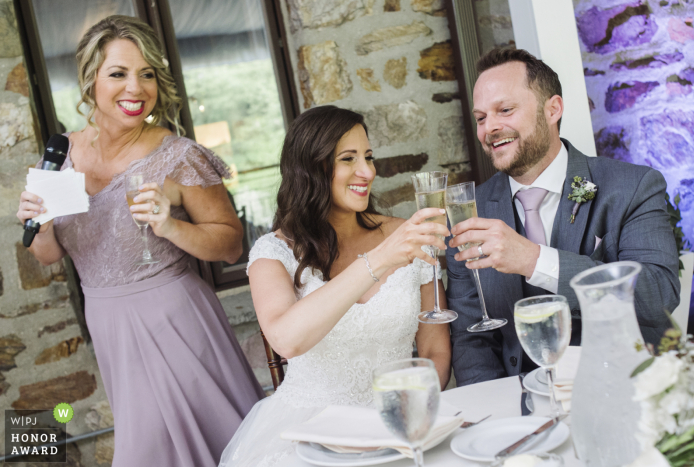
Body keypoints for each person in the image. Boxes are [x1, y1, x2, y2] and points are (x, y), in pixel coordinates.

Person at [16, 15, 264, 467]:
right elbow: (49, 255)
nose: (136, 87)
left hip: (176, 321)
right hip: (110, 325)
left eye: (147, 74)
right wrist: (42, 224)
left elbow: (230, 245)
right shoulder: (61, 155)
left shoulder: (178, 155)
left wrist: (171, 226)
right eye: (119, 73)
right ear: (91, 78)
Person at [218, 105, 452, 466]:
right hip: (312, 435)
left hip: (401, 424)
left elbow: (435, 350)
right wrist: (379, 260)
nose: (367, 171)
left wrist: (406, 415)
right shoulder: (273, 252)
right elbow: (287, 339)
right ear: (311, 168)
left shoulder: (405, 235)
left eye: (369, 157)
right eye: (349, 158)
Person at [447, 47, 681, 386]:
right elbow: (471, 339)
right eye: (481, 118)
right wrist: (498, 414)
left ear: (552, 109)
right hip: (520, 407)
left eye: (505, 110)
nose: (490, 128)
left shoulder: (632, 186)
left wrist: (533, 259)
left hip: (624, 386)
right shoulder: (470, 211)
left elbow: (656, 295)